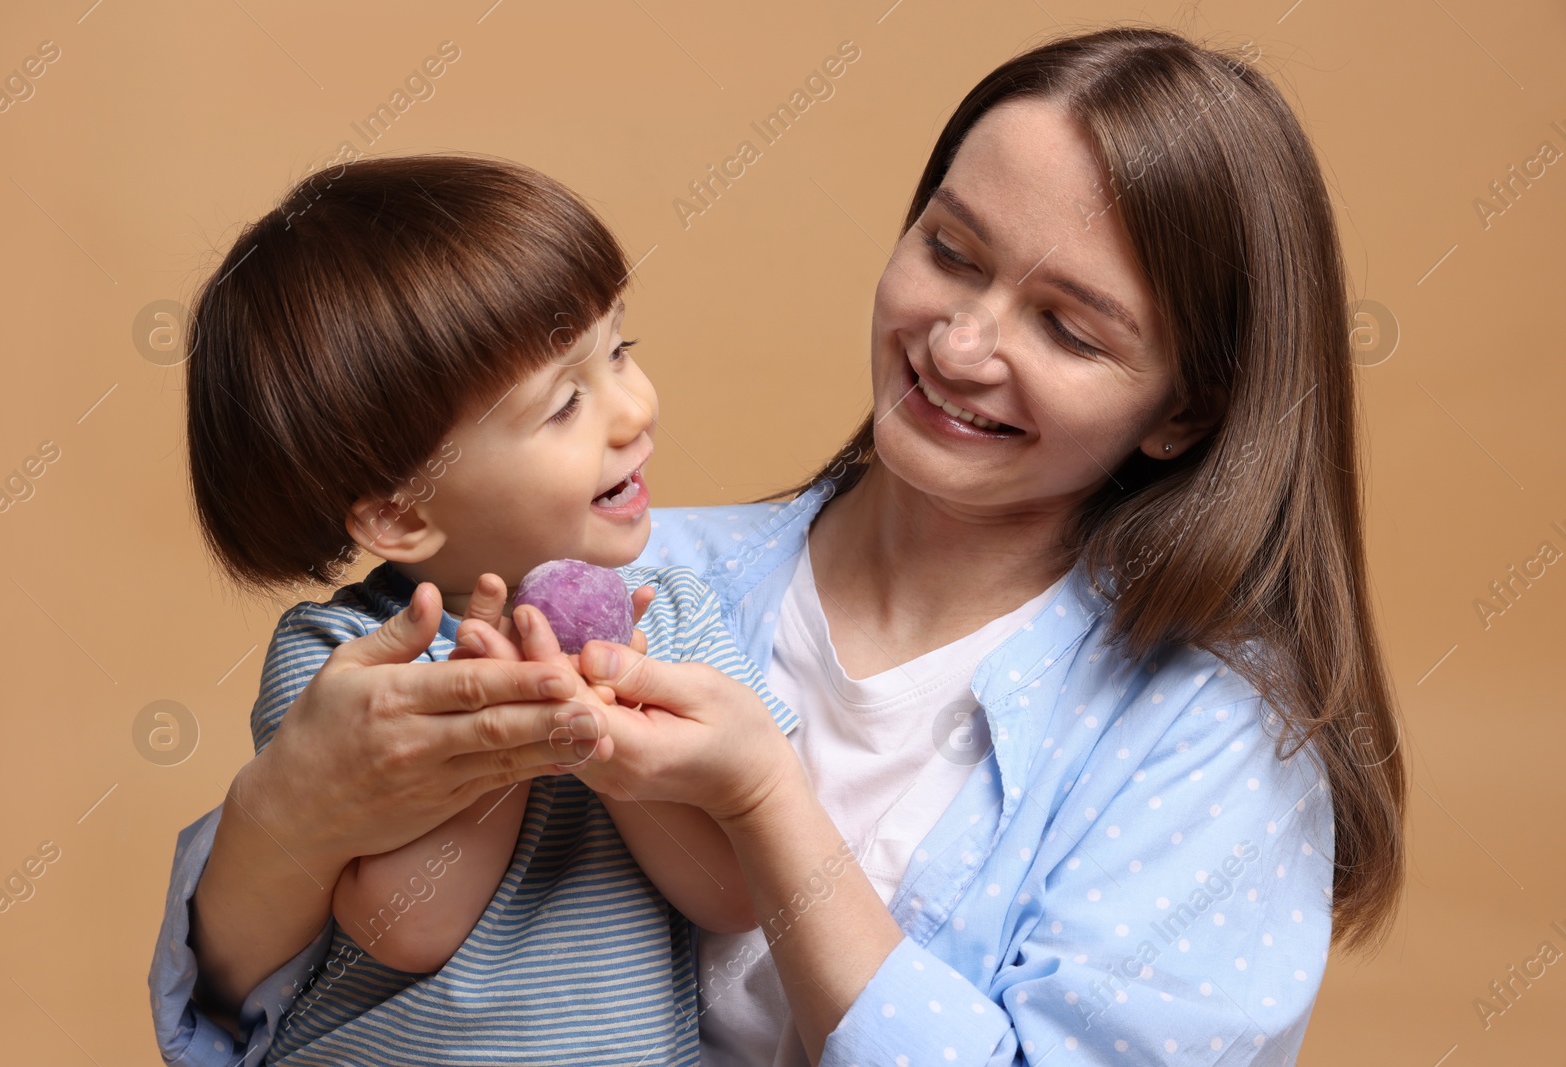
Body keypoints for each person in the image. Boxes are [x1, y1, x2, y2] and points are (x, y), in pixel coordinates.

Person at [150, 26, 1406, 1067]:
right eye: (950, 251)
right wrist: (287, 815)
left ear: (1182, 408)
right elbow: (243, 1009)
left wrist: (764, 800)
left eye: (1070, 330)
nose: (961, 345)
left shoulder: (1213, 737)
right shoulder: (631, 572)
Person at [157, 153, 801, 1065]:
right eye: (564, 404)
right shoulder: (351, 662)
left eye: (619, 352)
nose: (632, 411)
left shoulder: (676, 620)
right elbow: (403, 926)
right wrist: (504, 717)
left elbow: (733, 890)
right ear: (403, 513)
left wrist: (608, 716)